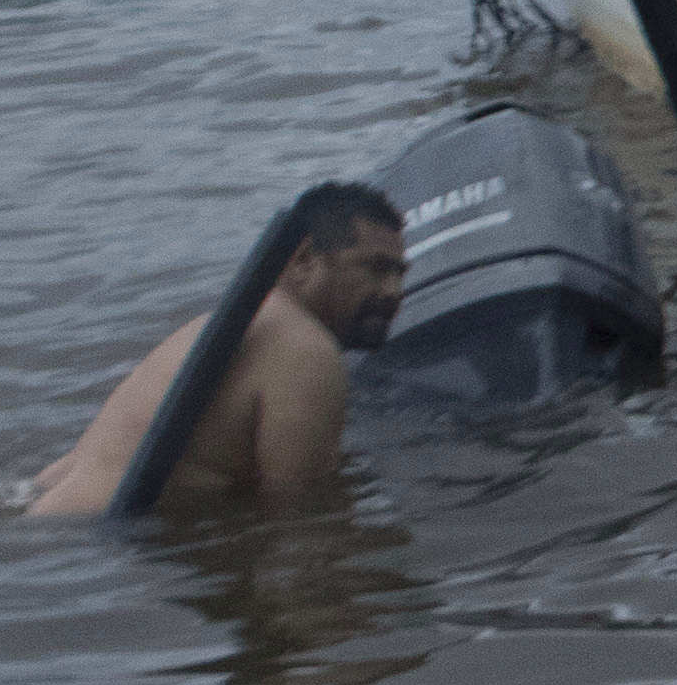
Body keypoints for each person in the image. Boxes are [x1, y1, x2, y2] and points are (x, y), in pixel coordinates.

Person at [25, 186, 408, 517]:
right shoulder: (305, 351)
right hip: (101, 548)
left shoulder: (225, 327)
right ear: (304, 260)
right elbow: (302, 521)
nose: (393, 291)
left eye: (399, 273)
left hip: (56, 533)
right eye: (375, 269)